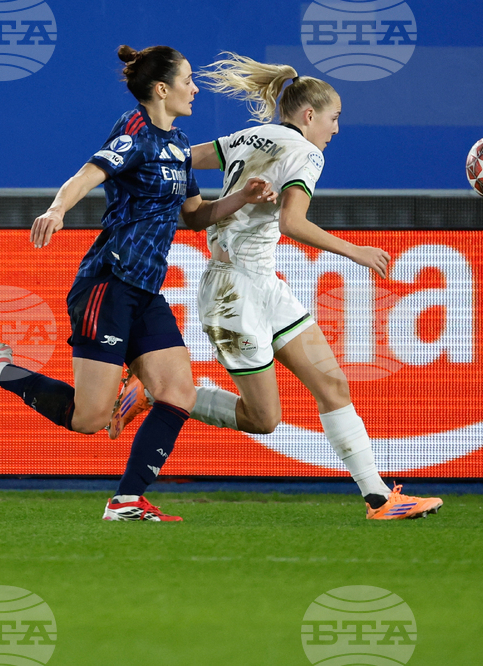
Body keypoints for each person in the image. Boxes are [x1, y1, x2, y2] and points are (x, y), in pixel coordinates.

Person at [0, 45, 276, 522]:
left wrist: (241, 196)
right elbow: (88, 174)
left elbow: (197, 217)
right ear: (161, 89)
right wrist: (58, 209)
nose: (195, 88)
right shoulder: (135, 132)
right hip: (109, 284)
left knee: (178, 392)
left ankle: (125, 501)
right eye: (188, 80)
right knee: (90, 418)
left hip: (145, 291)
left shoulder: (180, 143)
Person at [111, 52, 443, 520]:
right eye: (334, 118)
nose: (336, 129)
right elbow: (291, 222)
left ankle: (380, 498)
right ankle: (155, 392)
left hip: (265, 285)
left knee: (333, 385)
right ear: (310, 115)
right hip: (234, 295)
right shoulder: (307, 153)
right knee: (264, 420)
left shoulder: (252, 136)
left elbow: (185, 158)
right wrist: (357, 252)